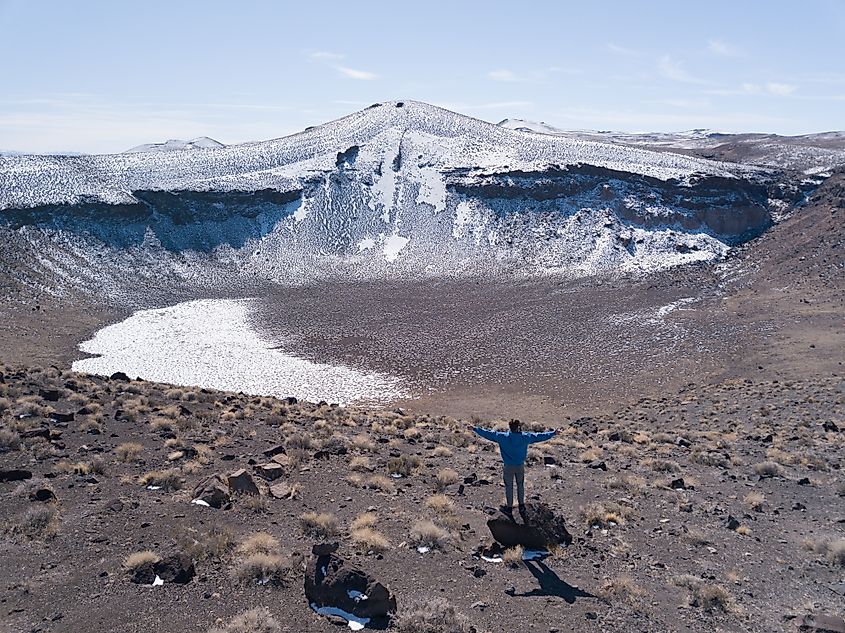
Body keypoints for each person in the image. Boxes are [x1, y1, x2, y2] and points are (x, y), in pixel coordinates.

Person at [468, 418, 558, 513]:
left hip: (508, 466)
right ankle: (521, 505)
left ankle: (509, 507)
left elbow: (488, 434)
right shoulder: (525, 437)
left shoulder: (502, 437)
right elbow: (539, 436)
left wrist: (475, 428)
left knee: (509, 486)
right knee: (520, 485)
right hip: (519, 466)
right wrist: (553, 433)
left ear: (510, 427)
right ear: (518, 427)